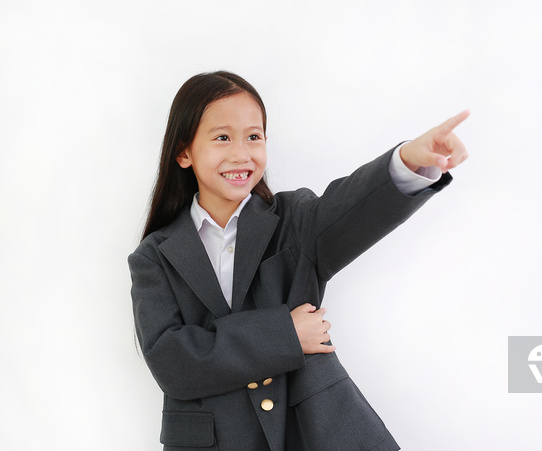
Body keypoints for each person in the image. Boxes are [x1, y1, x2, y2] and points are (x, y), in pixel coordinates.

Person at [128, 70, 469, 451]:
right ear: (184, 151)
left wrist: (407, 162)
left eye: (254, 137)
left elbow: (351, 211)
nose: (242, 153)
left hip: (312, 431)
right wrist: (286, 334)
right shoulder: (154, 257)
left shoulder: (295, 220)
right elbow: (173, 364)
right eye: (222, 137)